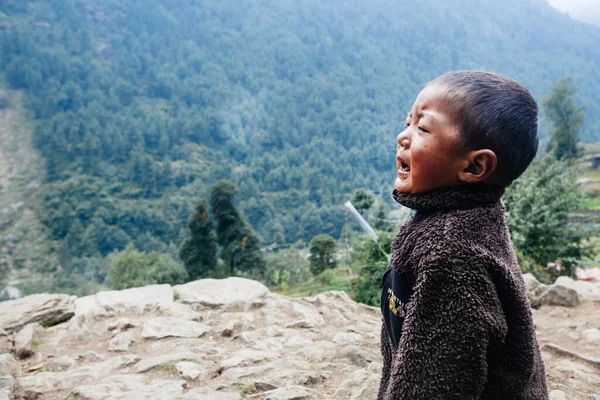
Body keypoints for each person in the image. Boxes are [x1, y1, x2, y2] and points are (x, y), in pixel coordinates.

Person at [378, 71, 548, 400]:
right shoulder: (459, 217)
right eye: (408, 121)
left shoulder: (452, 259)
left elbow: (434, 386)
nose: (403, 136)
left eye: (423, 128)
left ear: (473, 167)